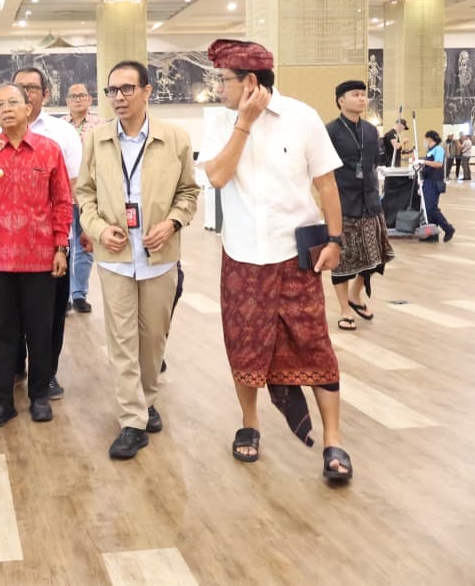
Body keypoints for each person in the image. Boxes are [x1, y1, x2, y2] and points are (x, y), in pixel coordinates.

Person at [200, 38, 352, 482]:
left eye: (223, 80)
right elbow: (217, 177)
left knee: (314, 344)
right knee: (244, 345)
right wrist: (243, 124)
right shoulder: (221, 122)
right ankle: (249, 424)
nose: (218, 88)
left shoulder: (302, 118)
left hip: (295, 257)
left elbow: (326, 185)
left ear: (250, 81)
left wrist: (336, 240)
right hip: (243, 256)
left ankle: (334, 440)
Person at [75, 60, 199, 459]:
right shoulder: (96, 140)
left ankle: (145, 401)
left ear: (147, 91)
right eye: (112, 90)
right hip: (114, 258)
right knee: (122, 340)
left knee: (152, 339)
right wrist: (98, 228)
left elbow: (188, 193)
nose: (119, 97)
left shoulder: (175, 139)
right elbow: (84, 194)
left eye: (127, 88)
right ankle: (132, 420)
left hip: (159, 256)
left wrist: (173, 223)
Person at [0, 83, 71, 427]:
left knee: (40, 330)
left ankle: (39, 395)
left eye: (13, 102)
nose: (6, 109)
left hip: (39, 255)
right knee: (2, 332)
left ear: (29, 108)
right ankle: (3, 402)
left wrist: (60, 246)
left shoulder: (49, 149)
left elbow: (62, 201)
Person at [0, 68, 81, 399]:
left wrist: (63, 243)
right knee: (5, 323)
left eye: (30, 89)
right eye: (14, 91)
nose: (18, 99)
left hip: (47, 246)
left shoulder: (60, 135)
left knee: (47, 321)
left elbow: (69, 191)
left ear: (41, 95)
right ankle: (11, 377)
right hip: (1, 251)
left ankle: (45, 379)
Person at [325, 81, 394, 331]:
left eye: (364, 95)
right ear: (341, 100)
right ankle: (345, 310)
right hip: (344, 204)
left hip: (371, 203)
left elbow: (375, 163)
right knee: (343, 261)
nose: (362, 99)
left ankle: (356, 294)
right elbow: (324, 171)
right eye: (355, 95)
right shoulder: (330, 131)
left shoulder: (370, 130)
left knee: (378, 257)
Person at [63, 82, 102, 314]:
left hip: (90, 194)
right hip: (64, 194)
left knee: (86, 244)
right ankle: (65, 296)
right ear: (67, 101)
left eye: (82, 95)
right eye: (73, 96)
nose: (78, 99)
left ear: (90, 99)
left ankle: (79, 294)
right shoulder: (59, 126)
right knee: (65, 245)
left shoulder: (100, 126)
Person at [417, 131, 455, 243]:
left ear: (430, 139)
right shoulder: (430, 150)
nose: (425, 141)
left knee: (431, 208)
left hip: (434, 182)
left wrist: (424, 161)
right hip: (428, 181)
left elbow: (439, 164)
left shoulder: (438, 149)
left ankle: (448, 228)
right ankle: (432, 234)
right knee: (427, 209)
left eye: (425, 139)